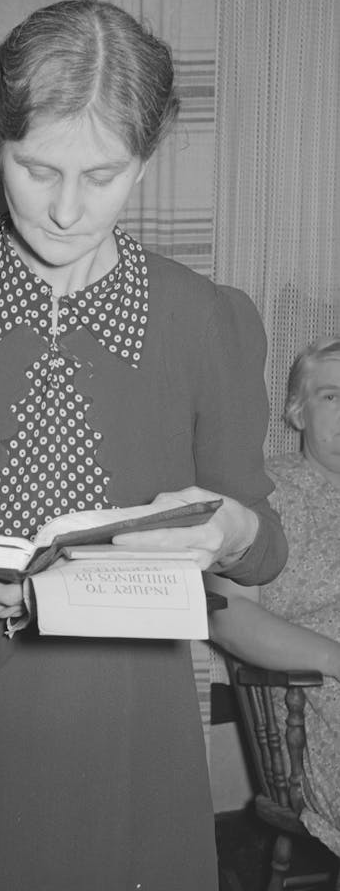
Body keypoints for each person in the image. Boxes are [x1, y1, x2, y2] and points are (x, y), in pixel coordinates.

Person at [0, 0, 287, 891]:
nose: (68, 210)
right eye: (37, 169)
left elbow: (262, 544)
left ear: (146, 162)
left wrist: (229, 531)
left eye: (104, 176)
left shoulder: (208, 321)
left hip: (124, 737)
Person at [208, 336, 340, 856]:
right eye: (332, 396)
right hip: (321, 700)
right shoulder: (261, 495)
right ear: (296, 411)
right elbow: (227, 617)